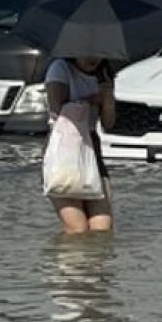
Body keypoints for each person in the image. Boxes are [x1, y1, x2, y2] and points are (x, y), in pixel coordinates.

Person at [45, 56, 116, 234]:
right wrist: (92, 99)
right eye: (88, 52)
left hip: (92, 146)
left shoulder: (104, 74)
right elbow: (56, 111)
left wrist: (108, 98)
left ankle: (95, 262)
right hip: (64, 147)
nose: (93, 58)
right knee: (77, 228)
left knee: (102, 228)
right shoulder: (60, 68)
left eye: (98, 52)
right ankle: (68, 261)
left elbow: (109, 124)